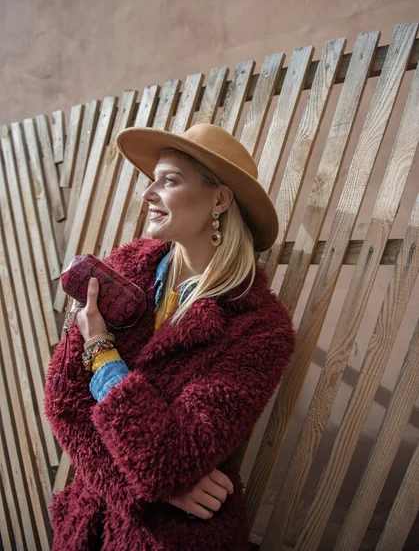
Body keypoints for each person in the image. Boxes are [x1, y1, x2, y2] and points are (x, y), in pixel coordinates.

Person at [44, 123, 296, 551]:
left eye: (170, 179)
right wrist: (159, 487)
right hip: (89, 526)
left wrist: (102, 353)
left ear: (219, 199)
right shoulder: (123, 269)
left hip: (173, 538)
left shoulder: (258, 330)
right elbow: (64, 403)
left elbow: (173, 457)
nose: (148, 193)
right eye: (152, 178)